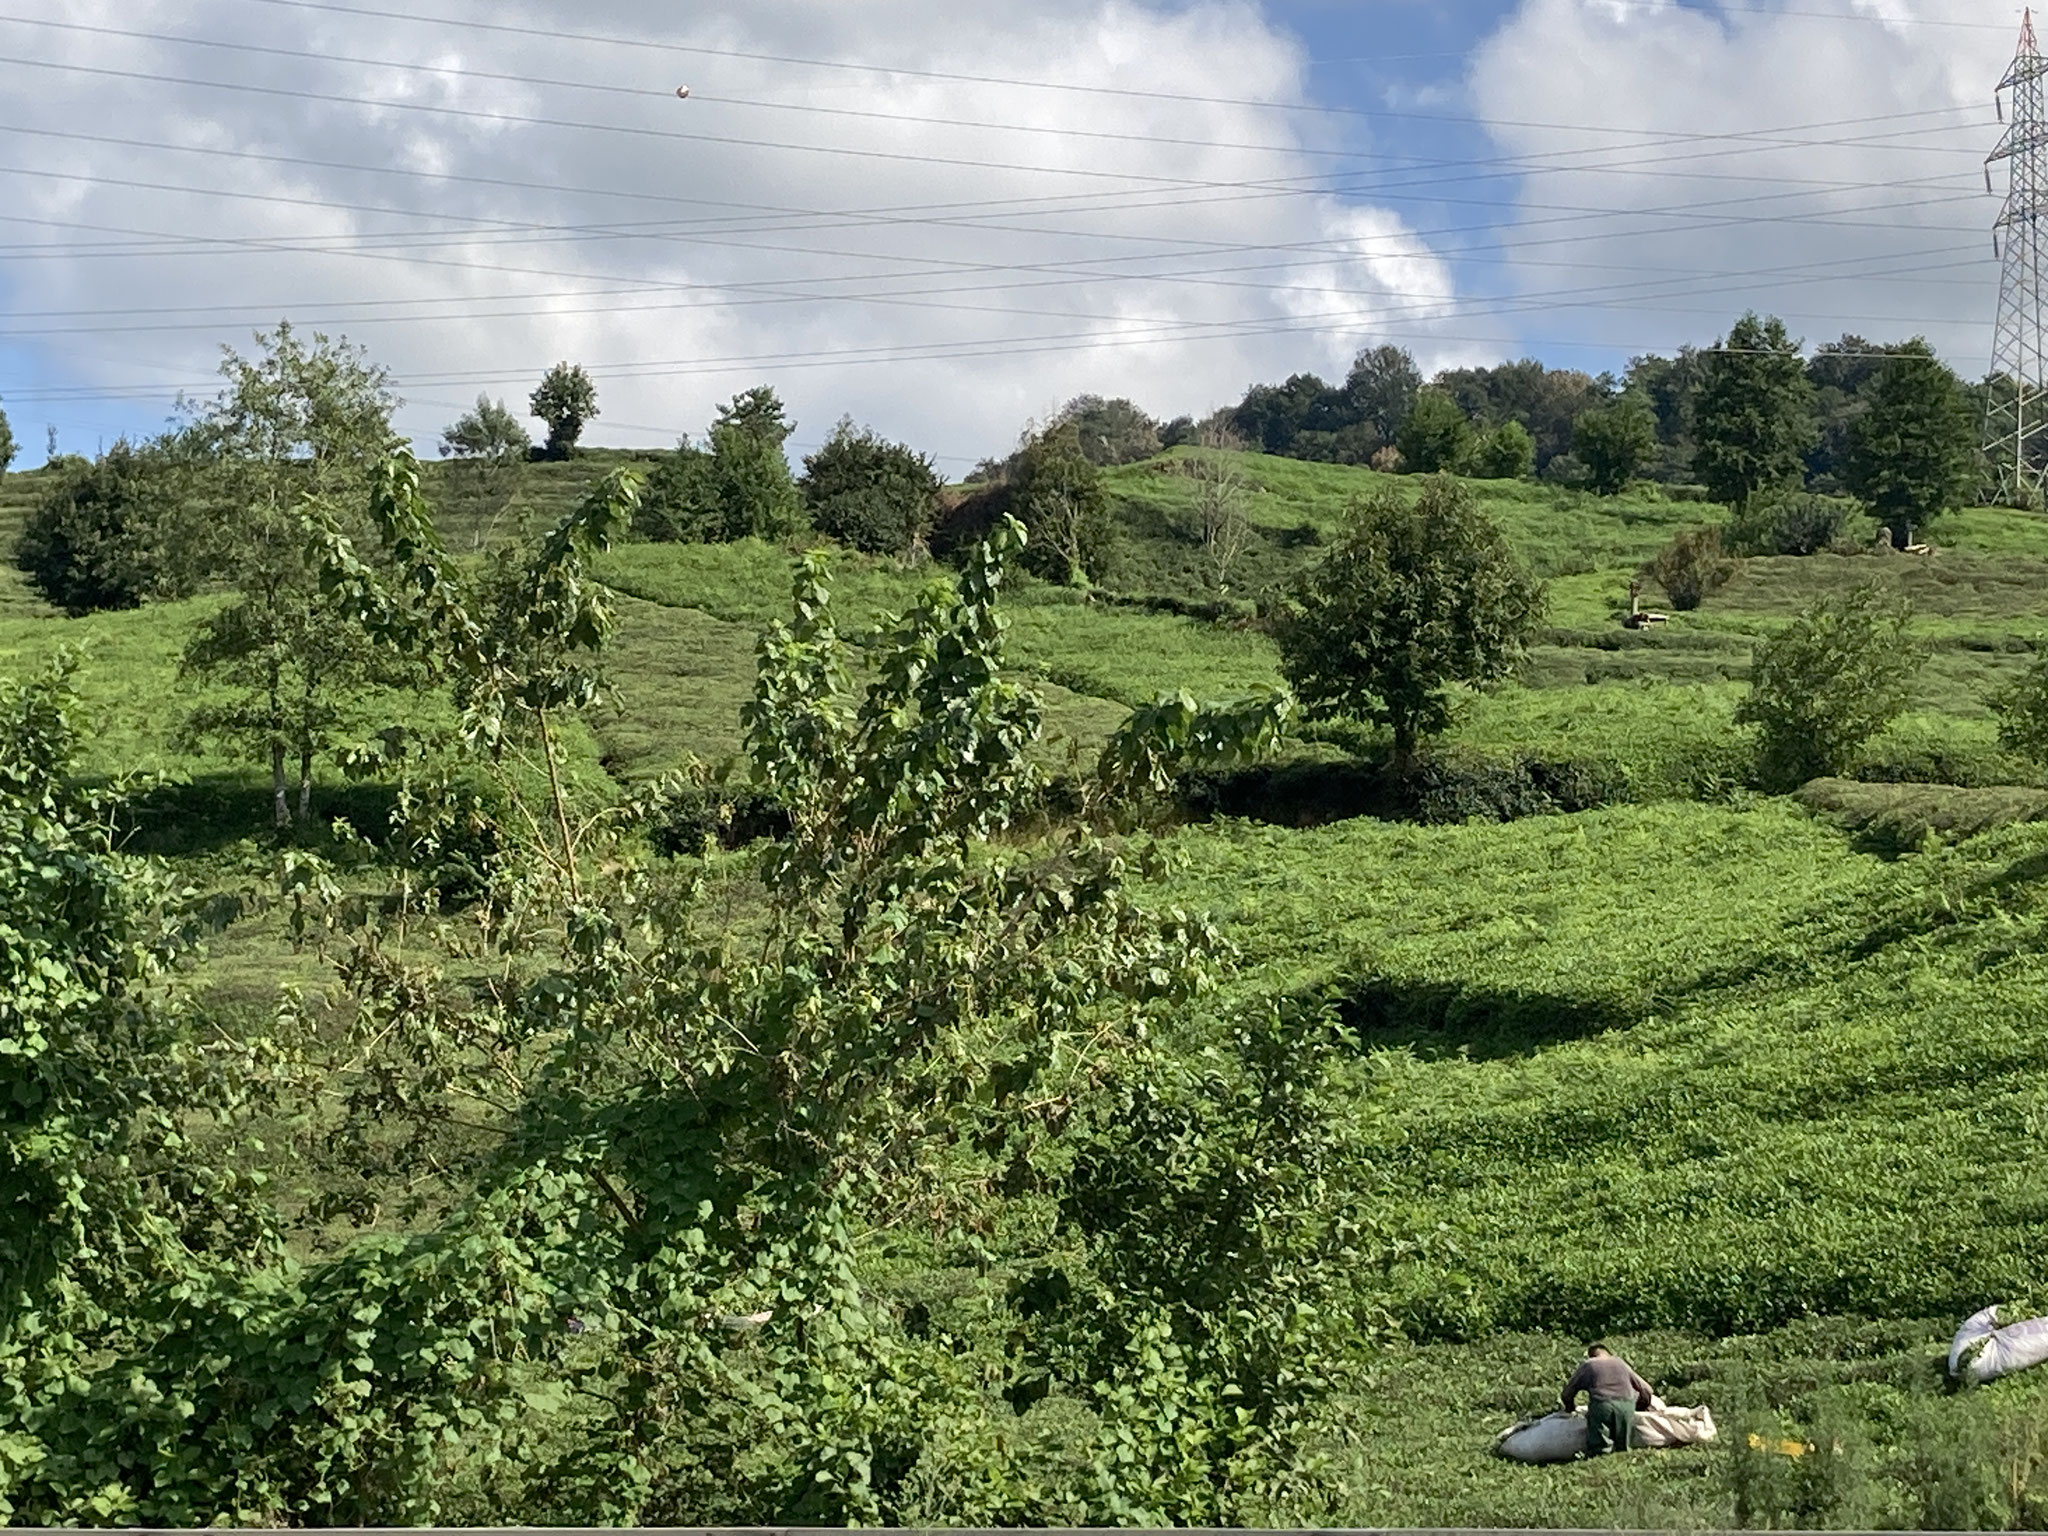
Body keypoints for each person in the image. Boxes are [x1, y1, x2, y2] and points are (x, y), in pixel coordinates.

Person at [1561, 1343, 1653, 1457]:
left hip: (1602, 1405)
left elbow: (1567, 1393)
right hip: (1626, 1405)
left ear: (1591, 1355)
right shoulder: (1620, 1363)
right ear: (1609, 1353)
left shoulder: (1589, 1365)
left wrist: (1570, 1409)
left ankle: (1600, 1459)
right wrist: (1641, 1406)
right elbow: (1647, 1390)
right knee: (1623, 1448)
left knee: (1600, 1450)